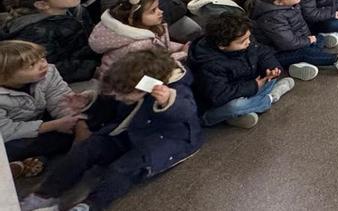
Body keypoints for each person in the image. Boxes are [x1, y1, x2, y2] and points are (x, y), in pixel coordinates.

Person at [19, 48, 203, 211]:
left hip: (168, 139)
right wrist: (87, 103)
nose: (120, 98)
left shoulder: (176, 88)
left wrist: (167, 102)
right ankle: (45, 194)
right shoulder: (128, 82)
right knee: (86, 148)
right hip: (129, 130)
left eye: (124, 96)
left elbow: (185, 112)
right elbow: (109, 103)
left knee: (122, 169)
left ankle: (90, 205)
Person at [188, 13, 293, 129]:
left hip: (247, 84)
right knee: (234, 107)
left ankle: (239, 114)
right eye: (243, 41)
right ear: (222, 45)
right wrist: (254, 86)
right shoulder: (209, 64)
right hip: (221, 100)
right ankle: (271, 97)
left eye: (249, 37)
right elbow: (219, 95)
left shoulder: (243, 39)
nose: (248, 42)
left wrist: (271, 68)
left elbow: (263, 52)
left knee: (270, 79)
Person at [0, 41, 93, 170]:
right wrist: (53, 126)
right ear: (4, 77)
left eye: (42, 58)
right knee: (8, 149)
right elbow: (5, 131)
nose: (43, 65)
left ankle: (28, 161)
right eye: (32, 65)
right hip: (11, 132)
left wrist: (76, 123)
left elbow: (60, 99)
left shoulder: (48, 73)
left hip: (38, 117)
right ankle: (27, 160)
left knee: (87, 119)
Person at [1, 0, 98, 84]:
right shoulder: (36, 32)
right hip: (60, 81)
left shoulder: (74, 10)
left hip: (86, 61)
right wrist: (92, 68)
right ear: (42, 4)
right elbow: (47, 67)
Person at [88, 0, 187, 81]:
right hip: (125, 84)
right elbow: (156, 67)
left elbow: (162, 45)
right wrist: (183, 53)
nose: (160, 12)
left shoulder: (146, 28)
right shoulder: (139, 45)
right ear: (135, 18)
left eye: (158, 7)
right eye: (153, 11)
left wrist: (181, 47)